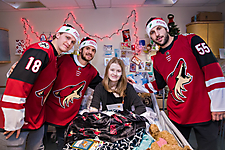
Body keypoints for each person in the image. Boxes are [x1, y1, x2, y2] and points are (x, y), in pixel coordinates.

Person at [129, 17, 225, 150]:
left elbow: (212, 69)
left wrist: (218, 104)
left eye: (159, 29)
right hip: (177, 115)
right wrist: (134, 85)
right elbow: (158, 85)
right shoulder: (156, 59)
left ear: (166, 29)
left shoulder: (191, 40)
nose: (157, 34)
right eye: (152, 32)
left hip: (203, 111)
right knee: (176, 147)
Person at [0, 24, 80, 150]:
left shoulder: (54, 58)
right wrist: (13, 120)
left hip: (35, 119)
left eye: (73, 42)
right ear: (57, 35)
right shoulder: (42, 50)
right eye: (67, 37)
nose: (69, 43)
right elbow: (18, 83)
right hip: (20, 121)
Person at [44, 37, 102, 150]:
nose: (90, 52)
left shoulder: (92, 72)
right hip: (48, 109)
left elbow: (103, 86)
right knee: (40, 143)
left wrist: (122, 81)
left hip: (68, 115)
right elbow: (44, 69)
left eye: (93, 50)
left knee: (63, 142)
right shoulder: (63, 59)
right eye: (87, 48)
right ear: (80, 49)